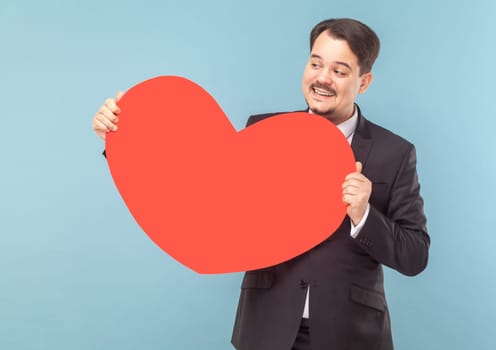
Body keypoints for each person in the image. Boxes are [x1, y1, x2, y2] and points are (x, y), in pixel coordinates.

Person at [92, 18, 429, 350]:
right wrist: (121, 137)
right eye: (315, 64)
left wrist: (363, 215)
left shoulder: (394, 153)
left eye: (339, 71)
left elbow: (415, 255)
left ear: (364, 81)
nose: (322, 79)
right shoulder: (263, 133)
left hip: (352, 336)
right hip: (266, 331)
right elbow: (196, 196)